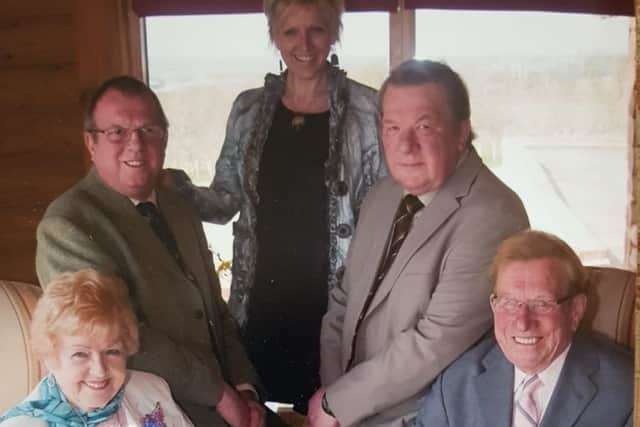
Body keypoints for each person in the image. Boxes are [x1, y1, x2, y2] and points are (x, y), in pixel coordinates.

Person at [167, 0, 385, 412]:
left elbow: (383, 210)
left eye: (316, 30)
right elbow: (225, 201)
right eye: (290, 32)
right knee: (259, 413)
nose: (304, 43)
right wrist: (175, 188)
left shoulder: (368, 109)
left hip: (334, 305)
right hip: (262, 303)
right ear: (274, 37)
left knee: (330, 411)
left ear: (334, 32)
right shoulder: (248, 109)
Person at [311, 59, 530, 427]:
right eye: (392, 127)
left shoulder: (494, 215)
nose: (405, 145)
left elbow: (434, 343)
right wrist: (337, 399)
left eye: (424, 127)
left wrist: (339, 403)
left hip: (426, 417)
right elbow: (343, 302)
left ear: (462, 132)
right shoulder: (382, 196)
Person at [35, 76, 264, 427]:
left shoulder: (180, 209)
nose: (135, 145)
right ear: (91, 143)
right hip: (149, 413)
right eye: (117, 132)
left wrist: (246, 389)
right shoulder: (68, 225)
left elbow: (214, 312)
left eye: (149, 131)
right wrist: (220, 394)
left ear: (165, 139)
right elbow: (120, 339)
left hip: (227, 406)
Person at [414, 230, 633, 427]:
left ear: (576, 310)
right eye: (509, 303)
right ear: (493, 306)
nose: (523, 322)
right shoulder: (456, 384)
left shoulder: (627, 392)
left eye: (541, 304)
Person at [0, 269, 194, 427]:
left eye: (112, 351)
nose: (100, 370)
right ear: (51, 356)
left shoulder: (153, 389)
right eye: (80, 354)